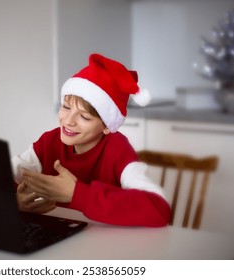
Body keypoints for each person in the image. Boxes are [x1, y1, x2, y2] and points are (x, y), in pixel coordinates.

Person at [11, 53, 170, 227]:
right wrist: (13, 201)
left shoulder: (117, 149)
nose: (68, 121)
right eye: (66, 107)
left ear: (107, 126)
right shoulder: (50, 140)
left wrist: (76, 194)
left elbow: (158, 209)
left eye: (84, 117)